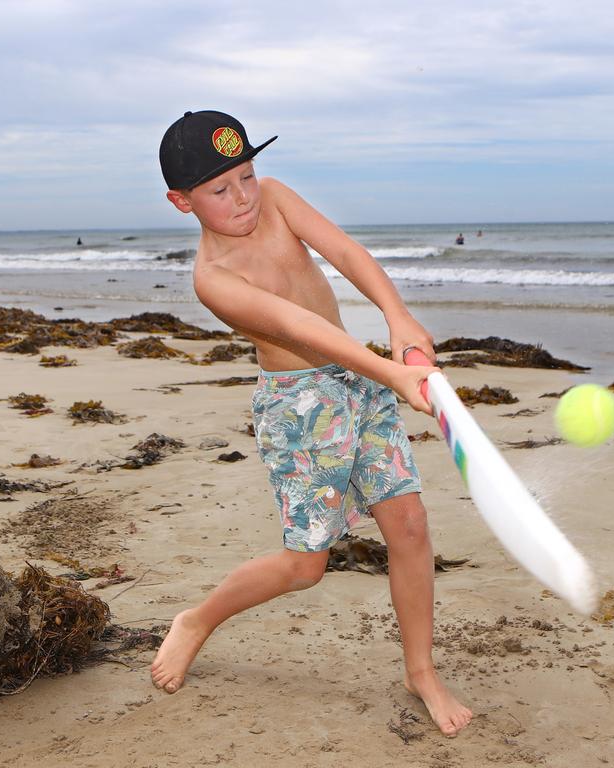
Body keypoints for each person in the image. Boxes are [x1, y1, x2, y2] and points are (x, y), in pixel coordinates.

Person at [151, 109, 473, 737]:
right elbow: (306, 331)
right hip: (300, 407)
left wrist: (398, 318)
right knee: (307, 566)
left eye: (246, 174)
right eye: (220, 189)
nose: (242, 196)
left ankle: (421, 671)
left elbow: (347, 253)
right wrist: (394, 374)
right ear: (181, 201)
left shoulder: (274, 200)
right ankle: (198, 619)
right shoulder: (213, 280)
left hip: (358, 383)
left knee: (408, 524)